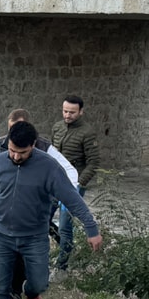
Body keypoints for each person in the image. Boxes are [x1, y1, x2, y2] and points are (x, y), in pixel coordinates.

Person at [0, 121, 102, 299]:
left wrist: (91, 228)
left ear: (33, 145)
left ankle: (31, 292)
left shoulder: (49, 168)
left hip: (33, 238)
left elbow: (72, 199)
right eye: (12, 150)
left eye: (21, 153)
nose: (15, 157)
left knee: (40, 281)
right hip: (1, 236)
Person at [0, 109, 78, 298]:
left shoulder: (44, 148)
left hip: (32, 211)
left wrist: (69, 194)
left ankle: (25, 287)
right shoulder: (0, 145)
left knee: (27, 255)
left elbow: (69, 170)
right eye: (11, 131)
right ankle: (4, 292)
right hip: (3, 212)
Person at [50, 96, 100, 280]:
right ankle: (58, 248)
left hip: (73, 185)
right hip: (53, 182)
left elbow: (93, 162)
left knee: (65, 225)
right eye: (65, 111)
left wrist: (80, 184)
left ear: (81, 112)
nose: (68, 115)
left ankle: (62, 266)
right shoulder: (57, 127)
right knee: (42, 218)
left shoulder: (87, 132)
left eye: (72, 112)